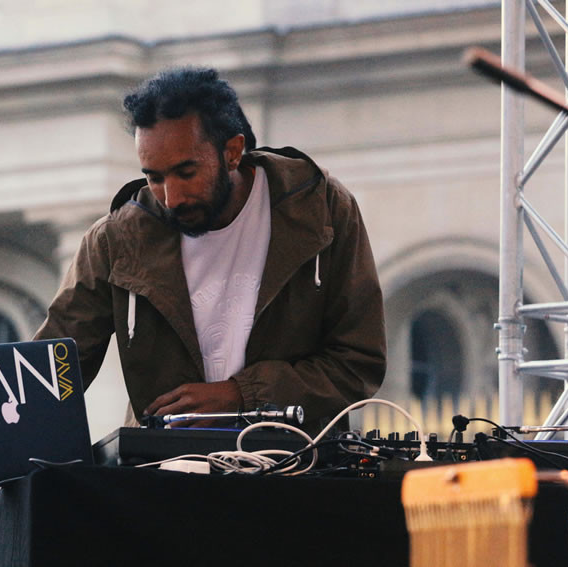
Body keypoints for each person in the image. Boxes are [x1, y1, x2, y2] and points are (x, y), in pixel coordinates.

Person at [34, 67, 386, 433]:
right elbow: (51, 370)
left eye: (186, 172)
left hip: (294, 468)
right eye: (154, 177)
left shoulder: (321, 209)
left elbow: (357, 363)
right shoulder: (116, 239)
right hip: (162, 474)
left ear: (232, 152)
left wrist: (241, 395)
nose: (171, 197)